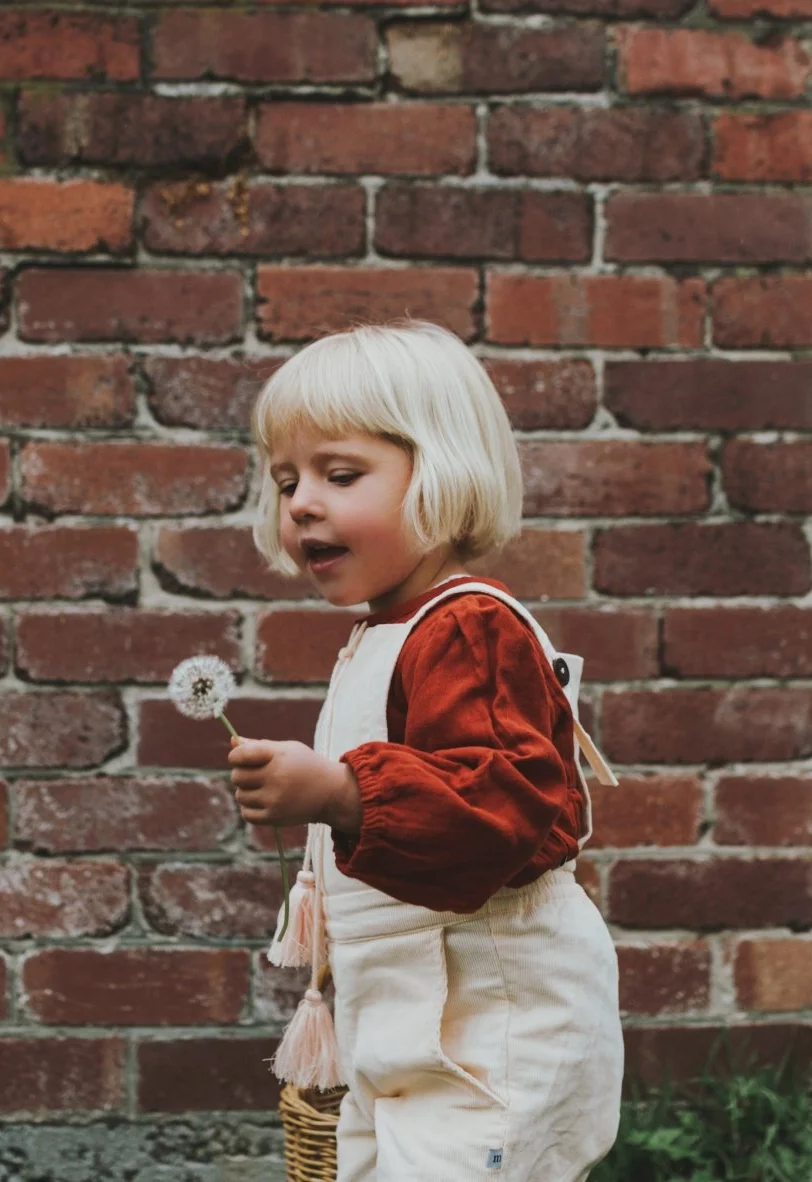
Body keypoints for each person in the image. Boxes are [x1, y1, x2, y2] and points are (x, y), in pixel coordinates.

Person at [227, 320, 624, 1182]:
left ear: (439, 471)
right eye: (285, 479)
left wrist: (340, 792)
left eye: (340, 474)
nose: (300, 503)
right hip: (405, 1014)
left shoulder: (469, 627)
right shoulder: (386, 635)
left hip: (495, 1020)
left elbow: (497, 809)